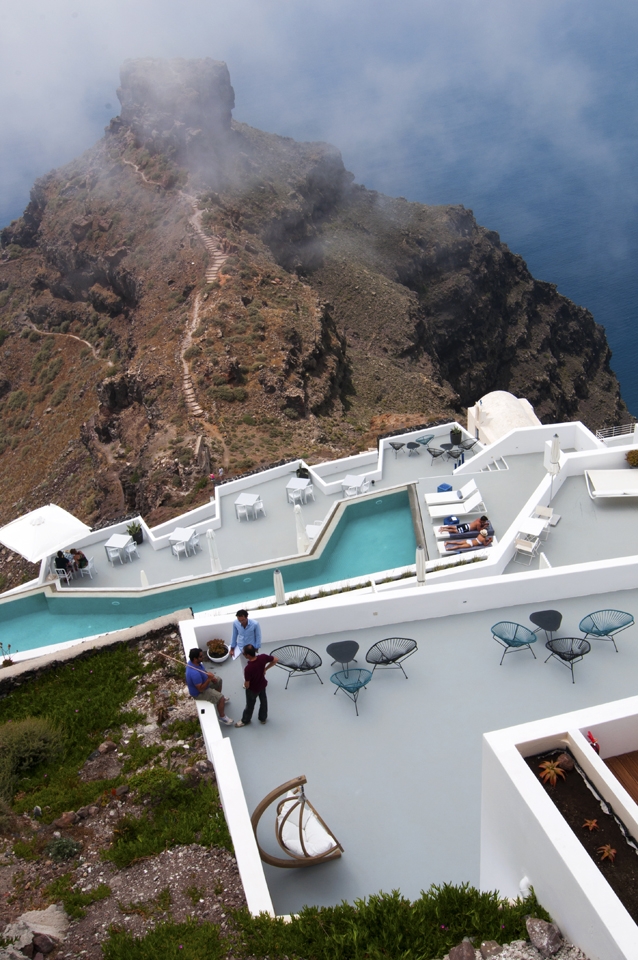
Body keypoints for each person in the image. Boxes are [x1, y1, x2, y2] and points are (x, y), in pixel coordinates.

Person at [185, 648, 233, 726]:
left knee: (218, 680)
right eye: (200, 656)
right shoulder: (194, 673)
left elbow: (203, 671)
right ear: (195, 658)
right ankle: (222, 717)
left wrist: (210, 677)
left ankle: (217, 699)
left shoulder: (195, 663)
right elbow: (200, 689)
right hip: (199, 693)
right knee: (220, 697)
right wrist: (209, 679)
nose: (203, 657)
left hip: (204, 682)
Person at [235, 644, 278, 727]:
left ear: (248, 655)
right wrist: (266, 668)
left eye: (244, 653)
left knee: (250, 705)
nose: (243, 655)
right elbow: (275, 659)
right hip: (262, 685)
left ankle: (245, 720)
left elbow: (247, 684)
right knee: (263, 702)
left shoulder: (248, 668)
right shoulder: (263, 657)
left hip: (253, 689)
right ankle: (263, 718)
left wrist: (246, 686)